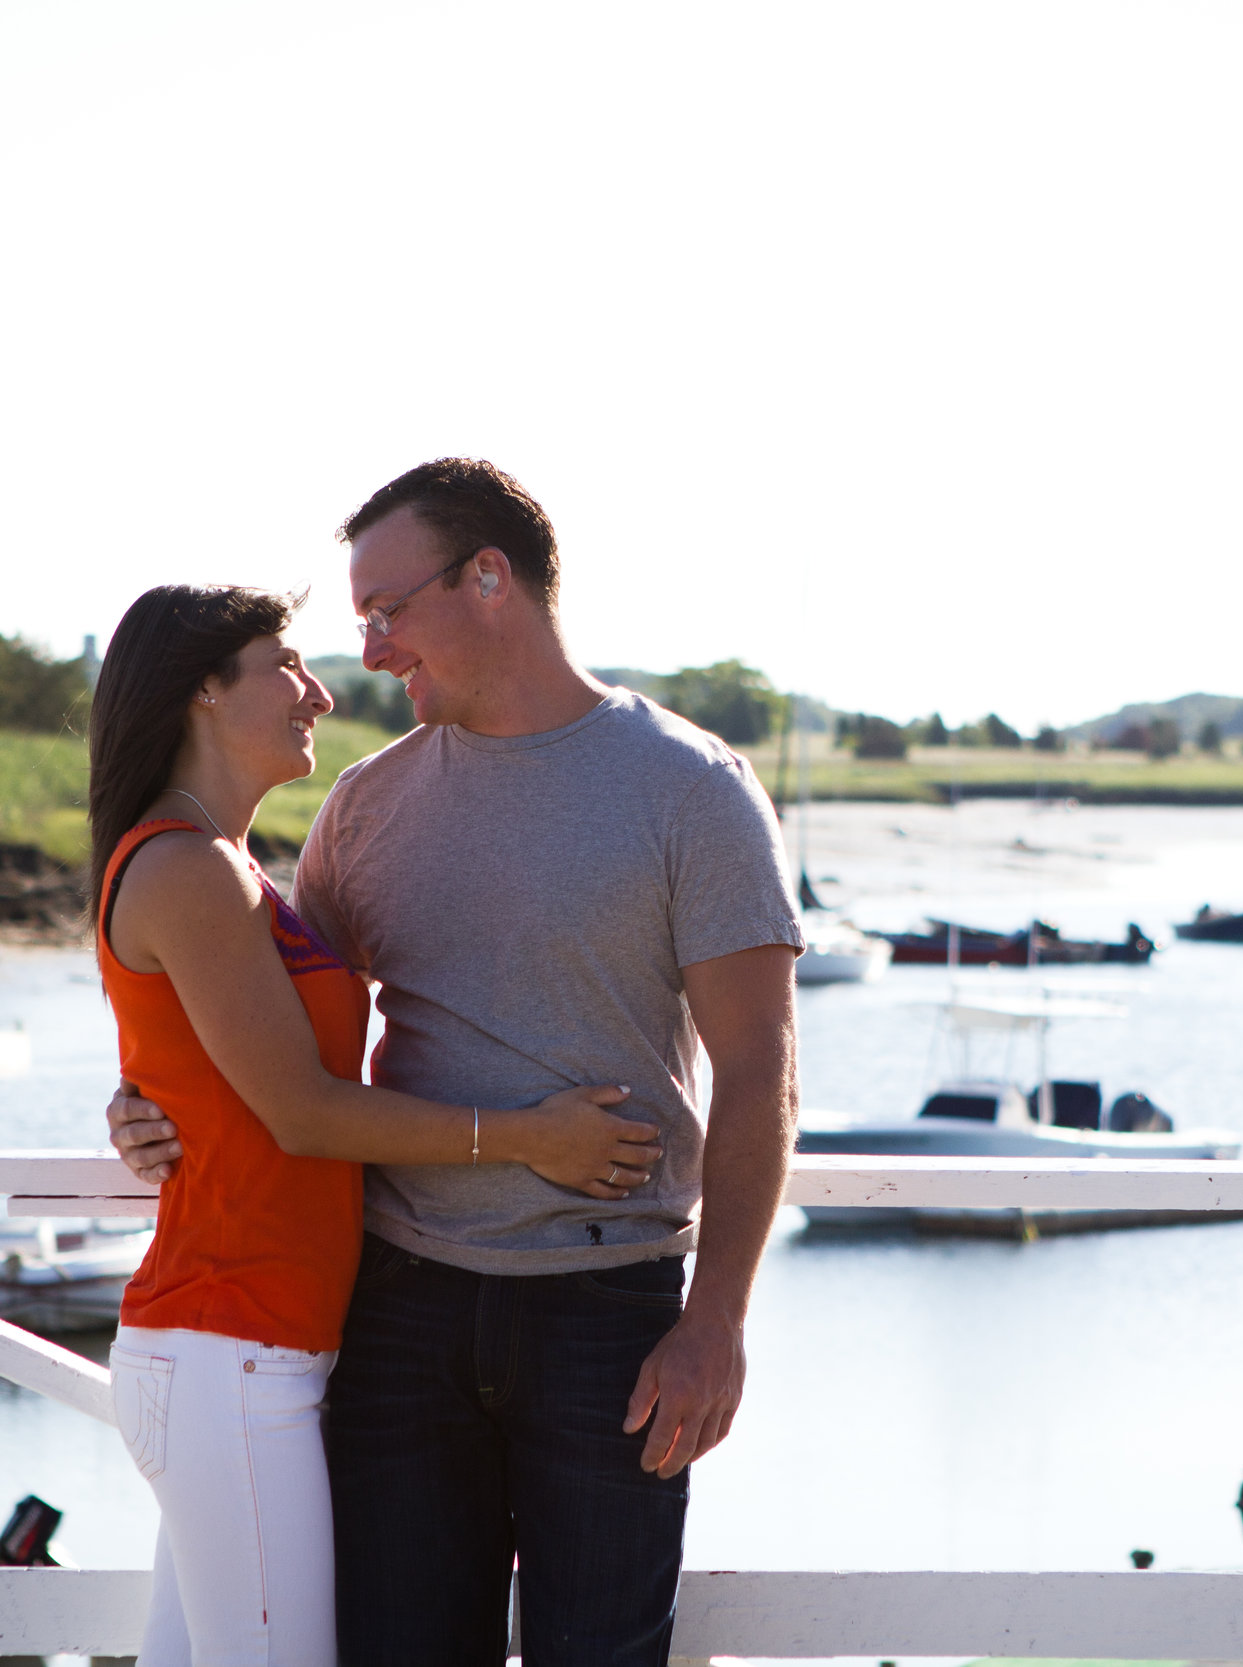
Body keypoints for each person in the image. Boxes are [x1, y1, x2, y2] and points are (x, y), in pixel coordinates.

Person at [110, 460, 803, 1667]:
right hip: (396, 1313)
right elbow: (267, 1029)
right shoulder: (367, 806)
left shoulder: (691, 789)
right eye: (357, 618)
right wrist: (141, 1099)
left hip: (611, 1316)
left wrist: (717, 1320)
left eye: (388, 609)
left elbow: (759, 1071)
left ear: (490, 577)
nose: (368, 650)